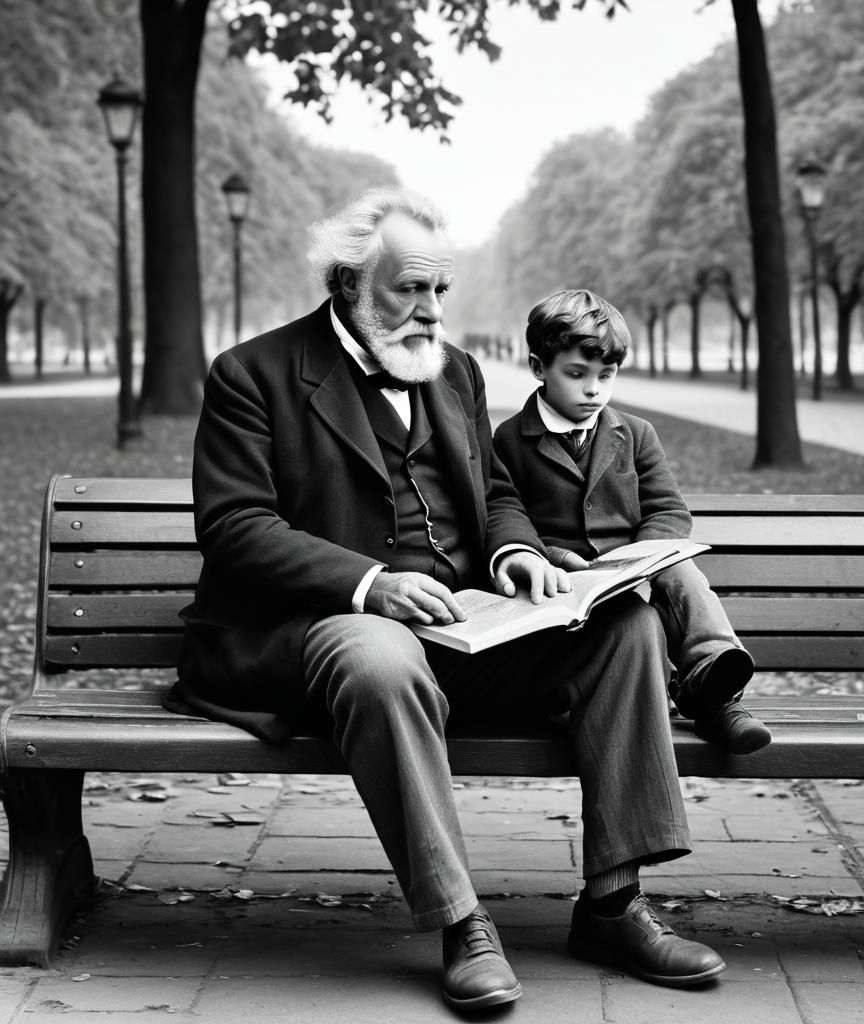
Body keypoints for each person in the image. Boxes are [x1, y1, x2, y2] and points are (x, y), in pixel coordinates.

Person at [166, 188, 727, 1011]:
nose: (431, 311)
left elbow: (496, 491)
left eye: (440, 290)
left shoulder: (453, 372)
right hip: (326, 628)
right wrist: (371, 585)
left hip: (467, 627)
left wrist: (516, 553)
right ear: (350, 282)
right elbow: (236, 526)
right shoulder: (253, 374)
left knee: (629, 624)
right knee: (380, 656)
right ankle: (463, 921)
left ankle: (613, 903)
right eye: (411, 290)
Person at [493, 288, 772, 756]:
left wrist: (642, 561)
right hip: (561, 586)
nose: (594, 390)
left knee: (682, 574)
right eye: (577, 374)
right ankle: (693, 696)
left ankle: (717, 683)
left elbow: (668, 510)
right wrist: (557, 558)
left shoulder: (636, 434)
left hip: (636, 570)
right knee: (632, 623)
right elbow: (506, 516)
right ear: (539, 368)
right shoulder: (510, 439)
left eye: (607, 375)